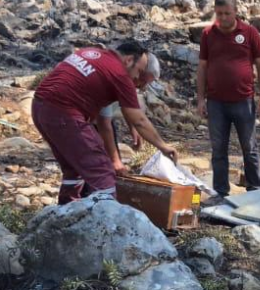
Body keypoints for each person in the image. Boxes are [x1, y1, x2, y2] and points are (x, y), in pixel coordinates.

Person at [33, 41, 177, 204]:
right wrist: (163, 146)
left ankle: (65, 213)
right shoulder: (120, 74)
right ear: (129, 60)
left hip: (39, 107)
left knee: (73, 169)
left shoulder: (92, 54)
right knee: (103, 172)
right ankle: (106, 224)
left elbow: (105, 118)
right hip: (64, 113)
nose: (137, 79)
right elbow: (139, 120)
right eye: (139, 72)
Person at [197, 0, 260, 201]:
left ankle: (255, 190)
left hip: (243, 101)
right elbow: (202, 67)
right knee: (218, 148)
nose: (223, 18)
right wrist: (201, 99)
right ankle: (220, 191)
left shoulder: (249, 32)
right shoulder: (208, 34)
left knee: (249, 146)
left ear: (236, 12)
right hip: (216, 102)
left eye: (227, 13)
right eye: (219, 14)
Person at [97, 52, 161, 176]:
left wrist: (133, 128)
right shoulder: (117, 77)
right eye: (142, 80)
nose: (141, 86)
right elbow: (103, 124)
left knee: (111, 165)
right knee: (101, 165)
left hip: (104, 120)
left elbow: (127, 105)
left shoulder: (131, 79)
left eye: (145, 84)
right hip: (90, 121)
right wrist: (115, 161)